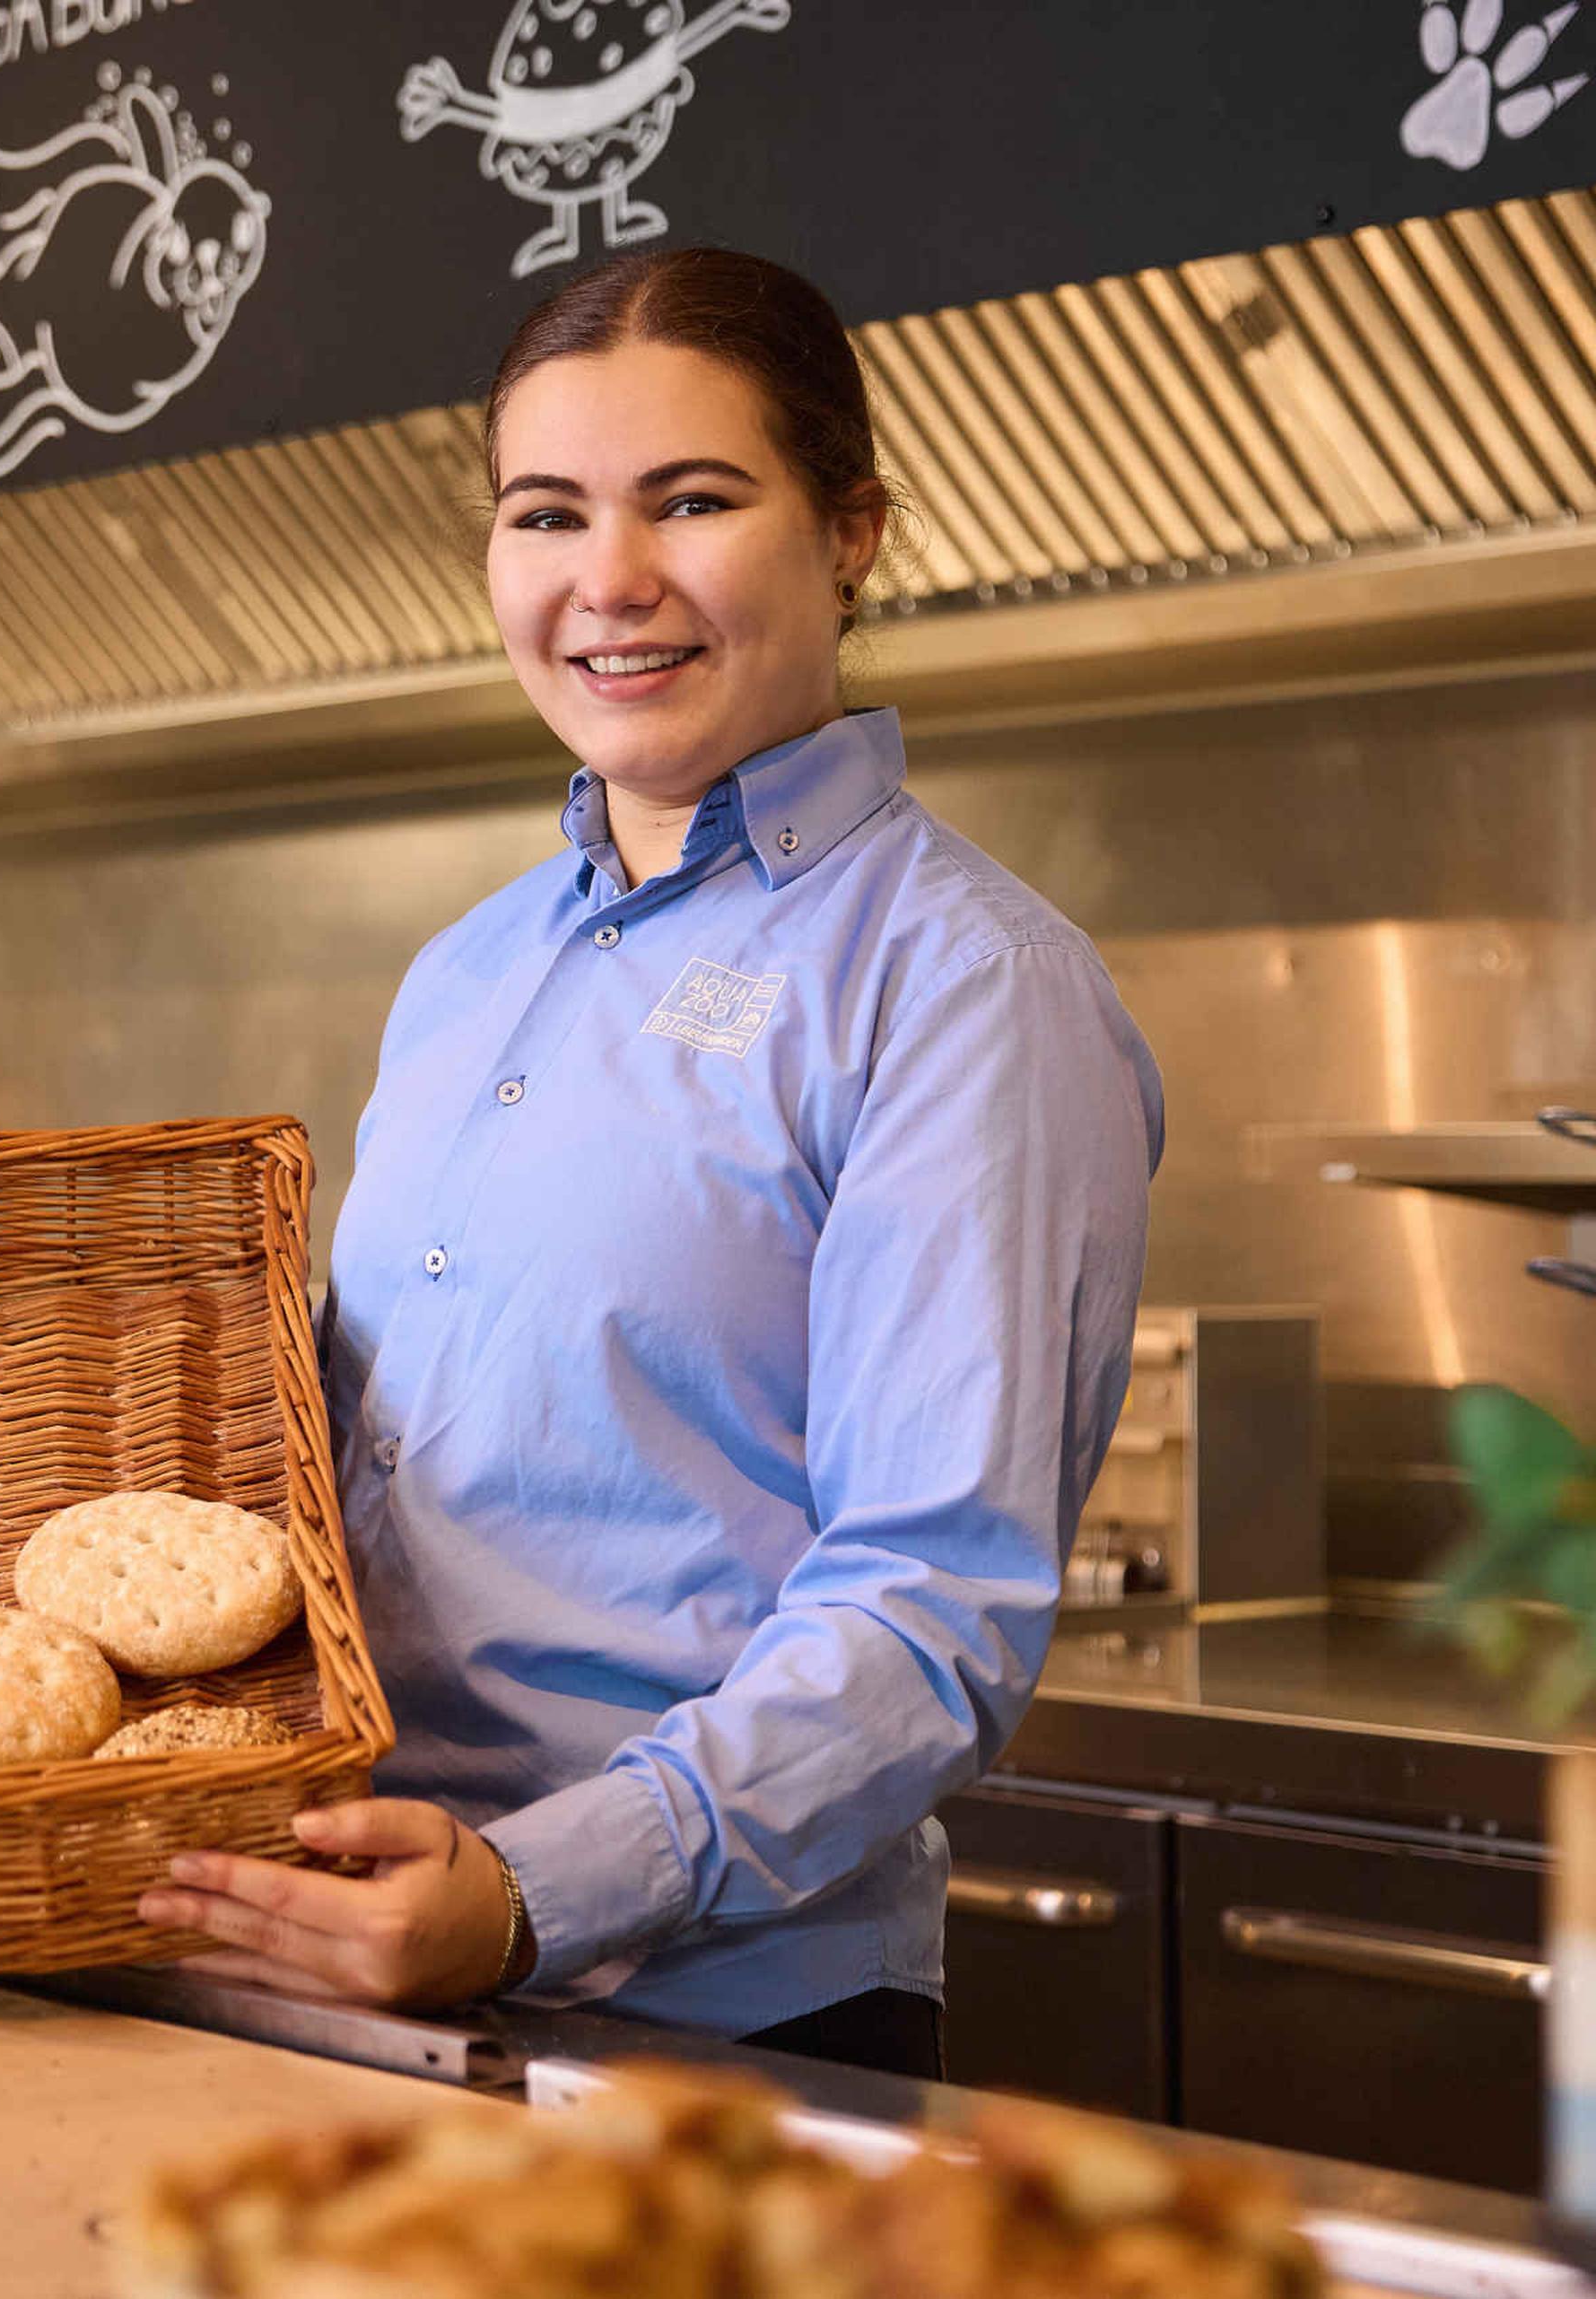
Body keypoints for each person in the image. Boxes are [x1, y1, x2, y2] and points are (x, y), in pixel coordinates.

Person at [133, 248, 1164, 2079]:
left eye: (692, 502)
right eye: (549, 514)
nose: (610, 584)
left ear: (851, 532)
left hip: (705, 2022)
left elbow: (931, 1610)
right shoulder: (470, 972)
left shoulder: (965, 986)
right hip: (339, 1962)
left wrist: (532, 1889)